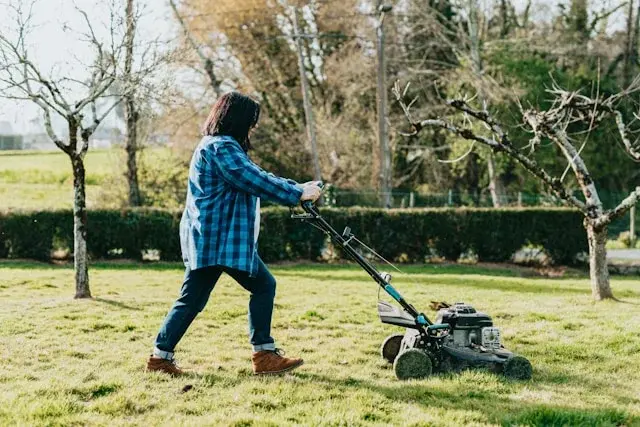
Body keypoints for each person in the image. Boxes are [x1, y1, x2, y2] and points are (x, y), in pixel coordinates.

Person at [146, 92, 322, 376]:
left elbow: (257, 173)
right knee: (263, 286)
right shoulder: (221, 148)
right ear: (237, 119)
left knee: (192, 299)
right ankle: (264, 355)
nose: (253, 127)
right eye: (251, 121)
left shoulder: (218, 146)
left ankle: (160, 359)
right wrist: (297, 193)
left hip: (212, 238)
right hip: (220, 240)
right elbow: (252, 179)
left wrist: (296, 186)